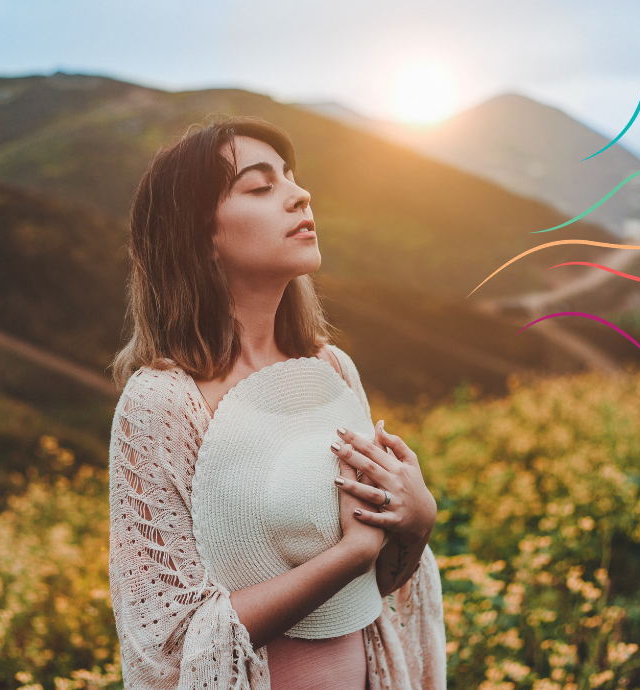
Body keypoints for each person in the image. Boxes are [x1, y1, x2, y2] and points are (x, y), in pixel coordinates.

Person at [107, 115, 447, 690]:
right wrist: (352, 551)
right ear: (200, 235)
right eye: (262, 187)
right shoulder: (163, 402)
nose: (300, 195)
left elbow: (371, 592)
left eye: (291, 178)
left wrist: (417, 523)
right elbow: (171, 644)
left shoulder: (333, 369)